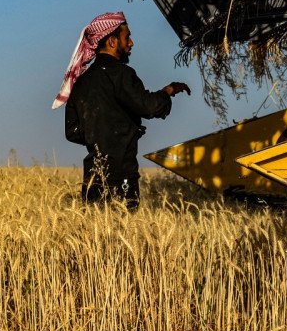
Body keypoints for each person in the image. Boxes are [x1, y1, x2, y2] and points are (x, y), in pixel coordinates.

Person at [53, 12, 190, 209]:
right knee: (124, 227)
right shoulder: (121, 74)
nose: (131, 43)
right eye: (127, 37)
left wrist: (101, 133)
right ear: (111, 41)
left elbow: (72, 131)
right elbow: (148, 106)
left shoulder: (81, 82)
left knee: (96, 232)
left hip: (93, 177)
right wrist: (167, 92)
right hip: (122, 175)